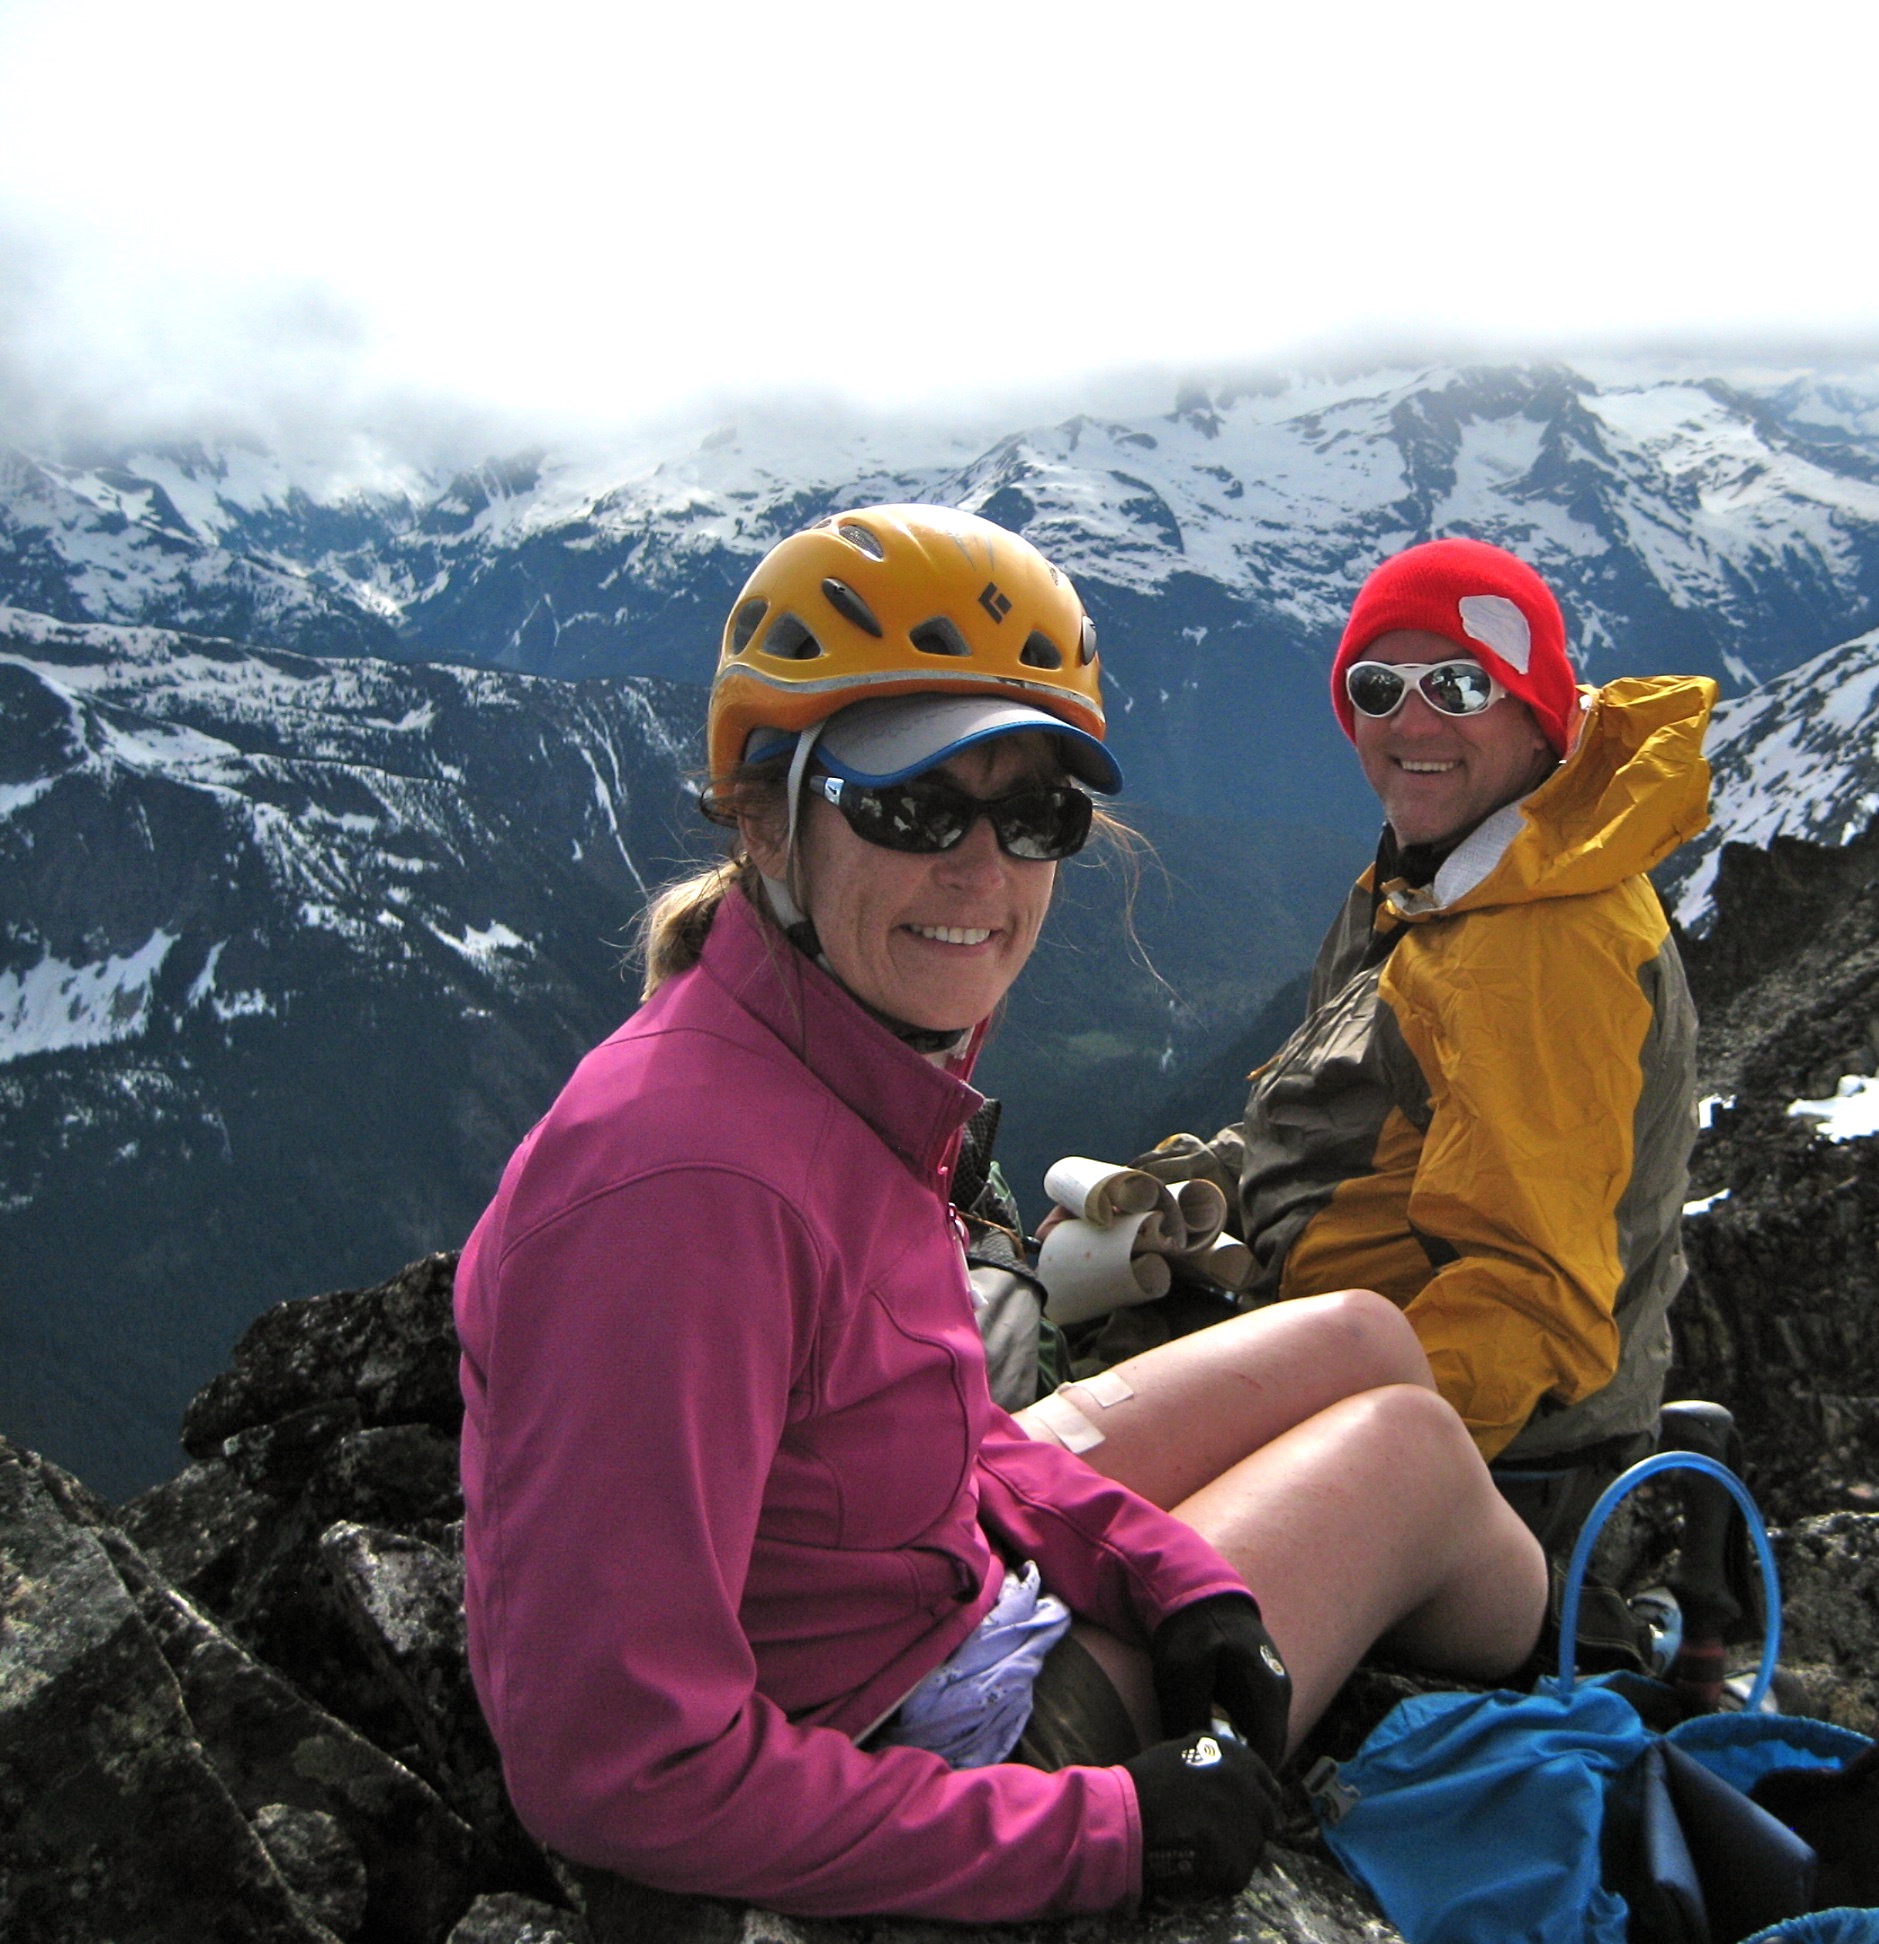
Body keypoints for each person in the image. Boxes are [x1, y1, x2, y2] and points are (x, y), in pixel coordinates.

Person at [453, 505, 1545, 1925]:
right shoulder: (684, 1195)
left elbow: (933, 1426)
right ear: (761, 818)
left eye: (1036, 813)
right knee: (1406, 1455)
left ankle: (1474, 1612)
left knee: (1357, 1339)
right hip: (901, 1758)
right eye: (909, 806)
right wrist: (1101, 1827)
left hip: (909, 1585)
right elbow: (619, 1768)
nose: (983, 871)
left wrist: (1170, 1574)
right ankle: (1580, 1656)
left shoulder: (827, 1064)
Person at [1150, 537, 1716, 1555]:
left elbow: (1528, 1305)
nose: (1412, 722)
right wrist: (1187, 1188)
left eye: (1459, 686)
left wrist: (1302, 1452)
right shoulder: (1444, 876)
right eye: (1379, 687)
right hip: (1339, 1356)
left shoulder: (1546, 946)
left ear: (1537, 713)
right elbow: (1347, 1118)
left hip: (1489, 1469)